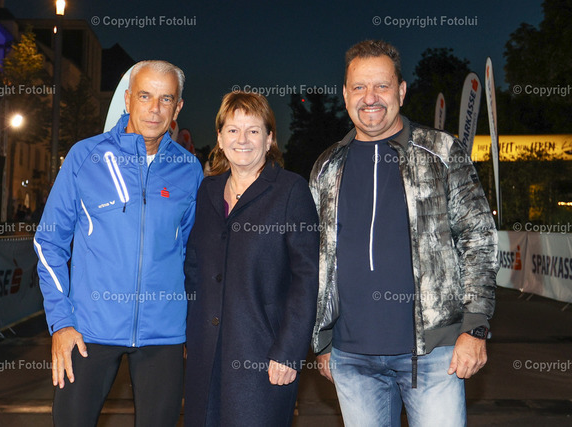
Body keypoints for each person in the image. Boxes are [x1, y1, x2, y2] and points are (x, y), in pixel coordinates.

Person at [309, 40, 499, 426]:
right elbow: (317, 256)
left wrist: (475, 326)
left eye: (381, 85)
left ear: (401, 90)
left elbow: (478, 238)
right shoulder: (327, 166)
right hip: (351, 357)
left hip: (435, 355)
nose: (370, 97)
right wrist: (323, 338)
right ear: (345, 94)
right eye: (359, 87)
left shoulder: (442, 151)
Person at [33, 60, 203, 427]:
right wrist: (61, 323)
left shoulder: (190, 169)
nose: (154, 109)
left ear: (177, 108)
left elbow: (191, 254)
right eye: (144, 96)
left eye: (166, 99)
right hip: (88, 330)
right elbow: (49, 243)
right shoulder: (85, 157)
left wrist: (193, 325)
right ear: (127, 99)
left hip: (163, 334)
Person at [183, 91, 319, 426]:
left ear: (270, 139)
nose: (242, 139)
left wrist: (289, 352)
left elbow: (306, 279)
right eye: (232, 130)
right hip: (205, 355)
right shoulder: (208, 191)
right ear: (219, 138)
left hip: (264, 357)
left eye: (253, 130)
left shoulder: (291, 191)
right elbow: (194, 267)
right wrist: (191, 331)